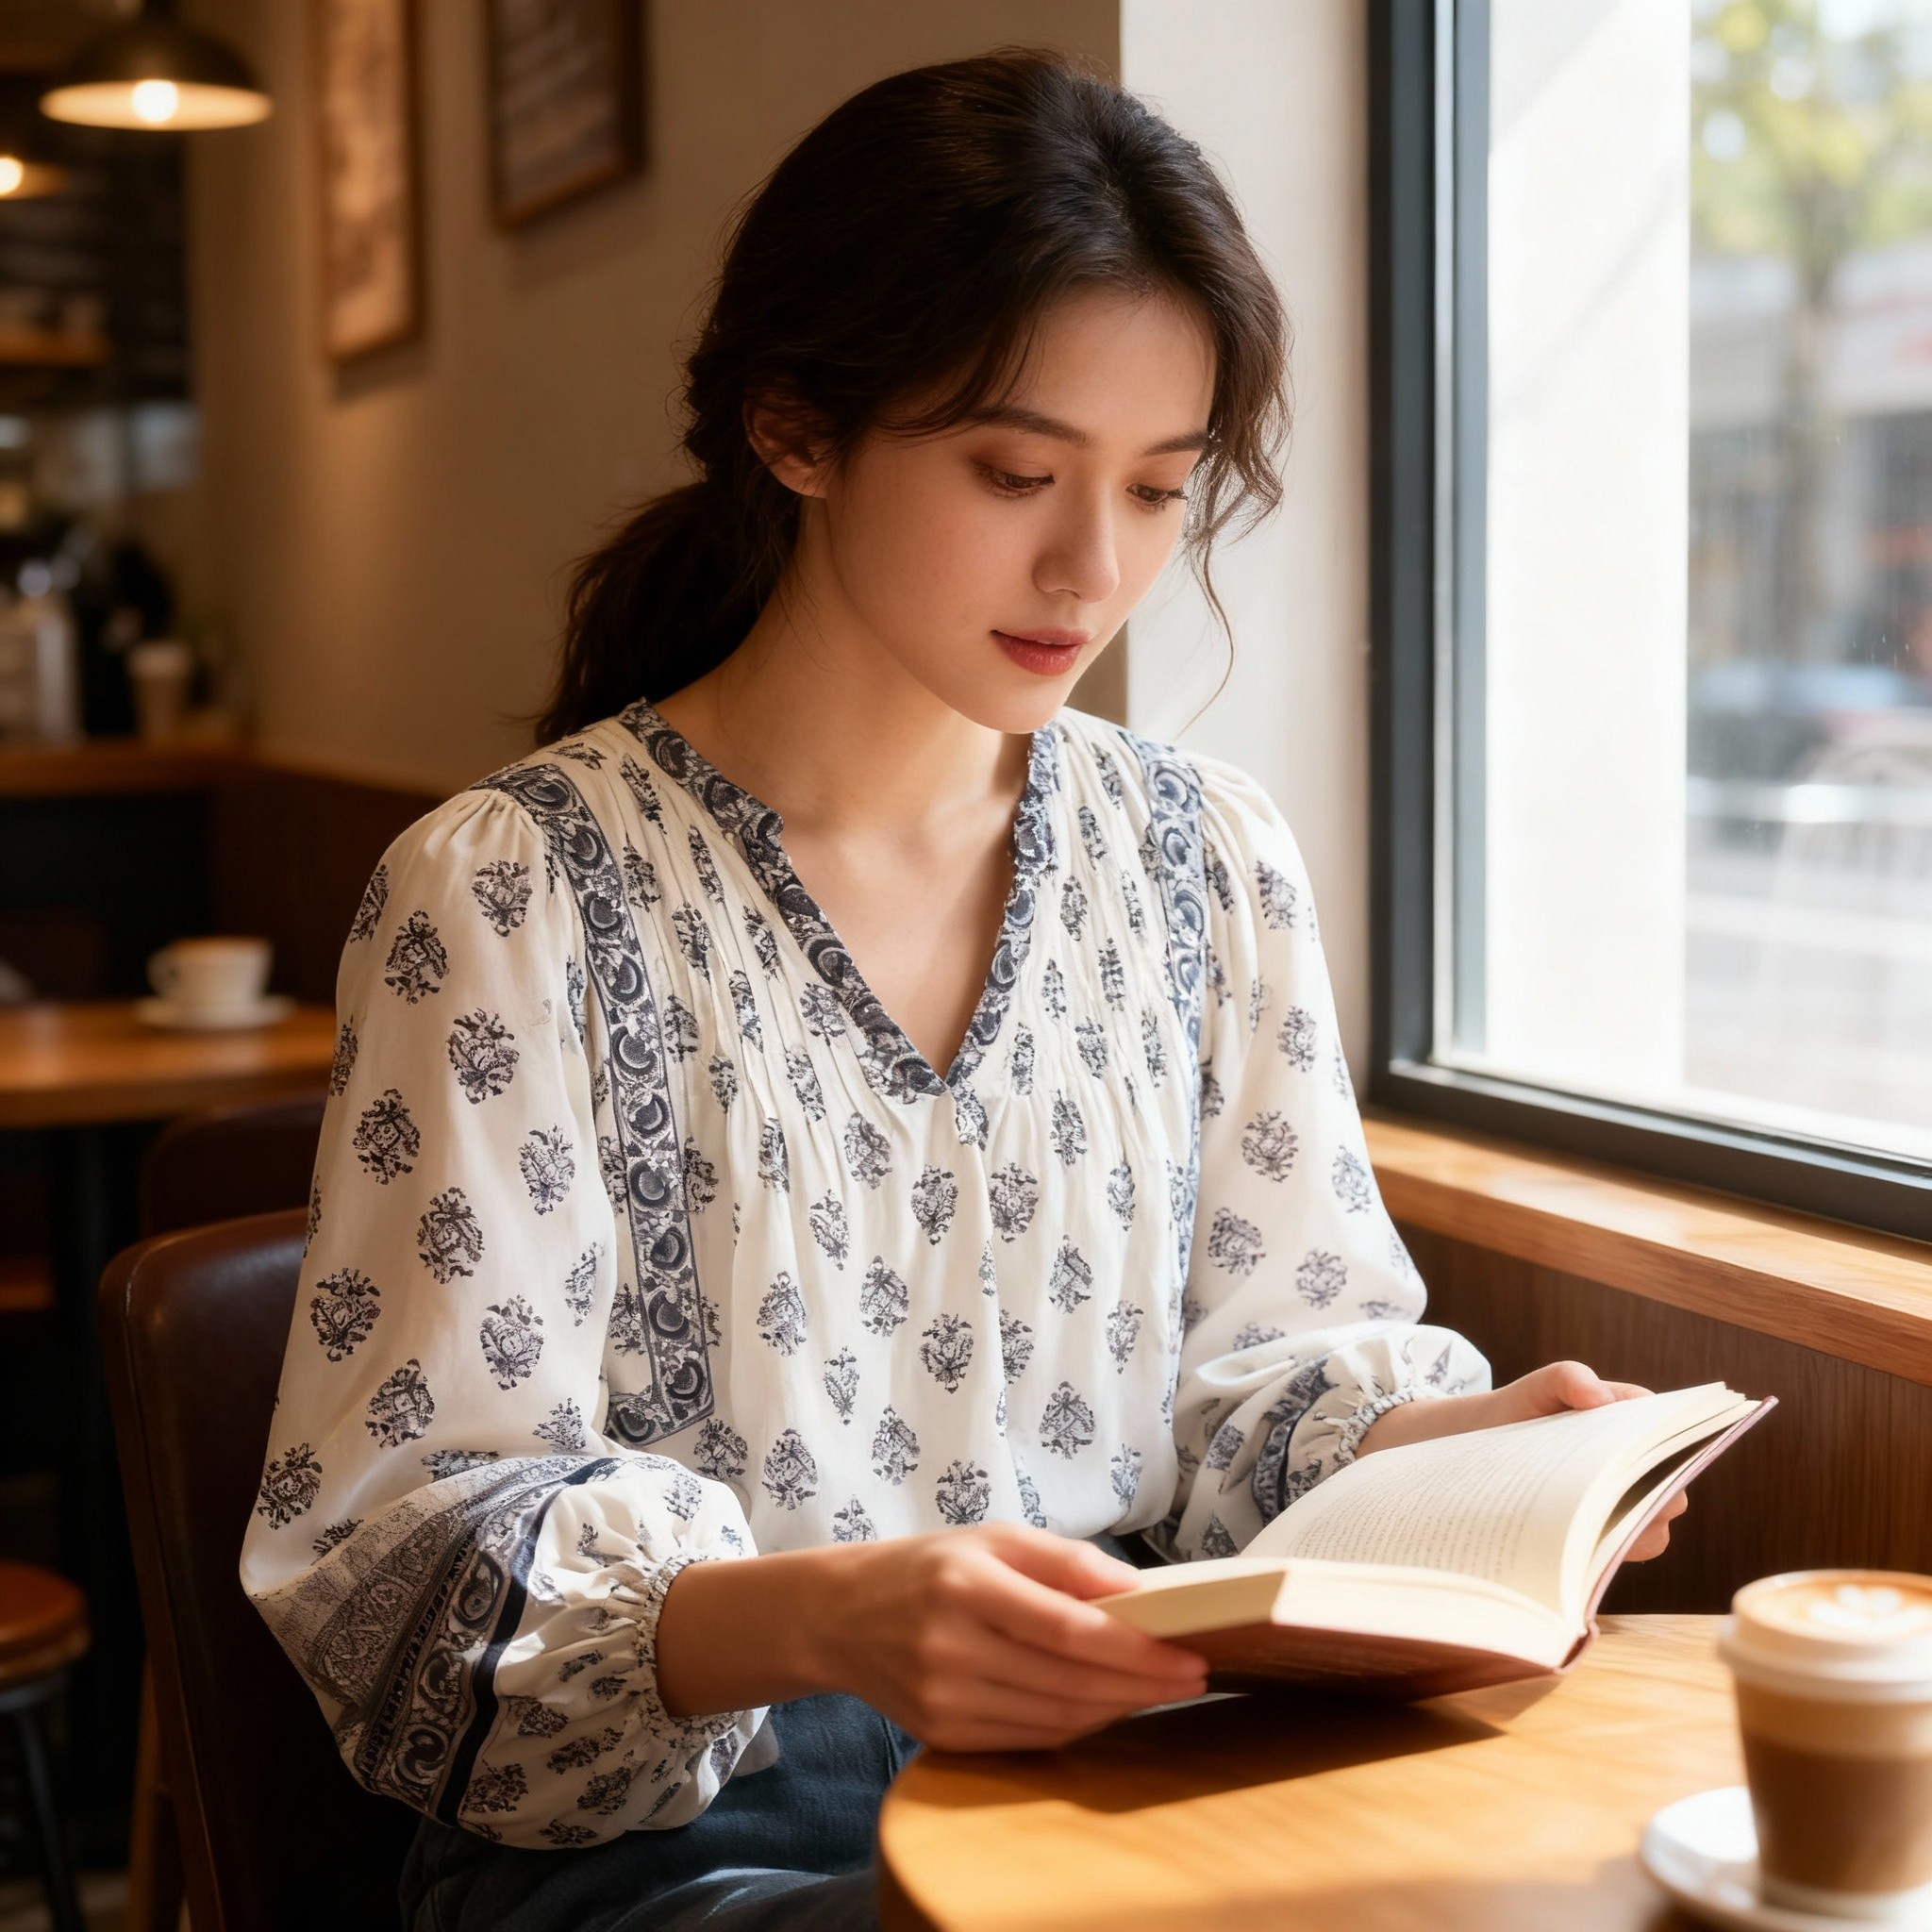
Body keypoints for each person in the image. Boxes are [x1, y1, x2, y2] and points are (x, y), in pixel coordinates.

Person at [240, 49, 1682, 1931]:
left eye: (1160, 488)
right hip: (696, 1837)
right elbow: (407, 1565)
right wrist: (835, 1614)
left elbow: (1263, 1385)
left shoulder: (1203, 857)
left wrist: (1456, 1460)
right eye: (1014, 472)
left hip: (1152, 1764)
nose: (1093, 568)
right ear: (794, 425)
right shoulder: (508, 892)